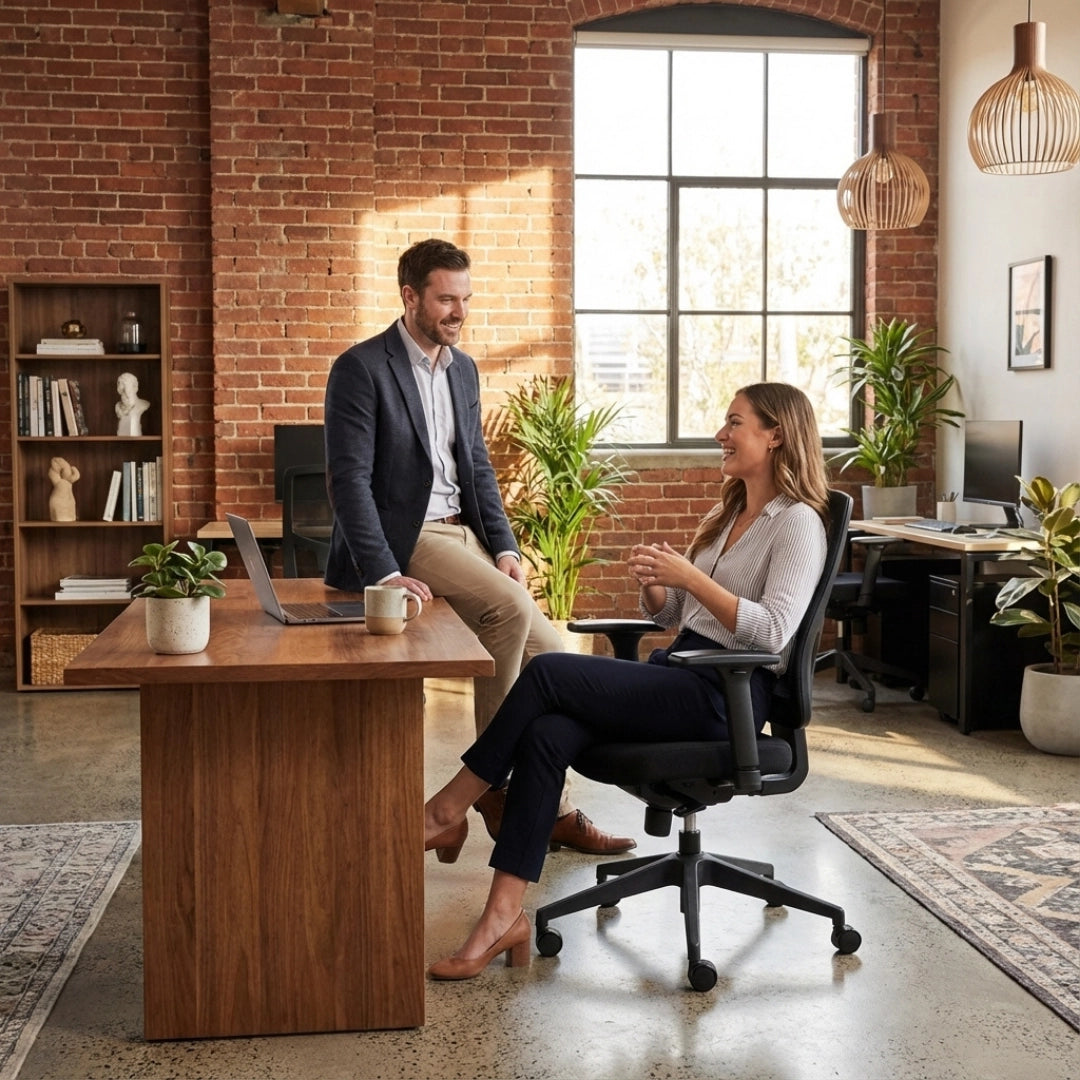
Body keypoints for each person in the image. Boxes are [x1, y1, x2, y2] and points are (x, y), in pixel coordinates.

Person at [421, 381, 831, 980]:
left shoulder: (797, 524)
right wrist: (661, 587)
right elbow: (673, 619)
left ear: (776, 436)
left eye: (735, 421)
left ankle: (448, 808)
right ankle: (502, 917)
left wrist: (693, 579)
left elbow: (771, 635)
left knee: (546, 670)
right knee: (549, 734)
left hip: (727, 696)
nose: (721, 433)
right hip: (684, 672)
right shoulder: (731, 515)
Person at [323, 238, 634, 856]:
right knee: (511, 611)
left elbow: (479, 468)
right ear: (409, 296)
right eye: (445, 299)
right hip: (407, 538)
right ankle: (492, 789)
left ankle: (554, 807)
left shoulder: (462, 369)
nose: (458, 311)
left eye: (465, 298)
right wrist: (383, 570)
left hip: (463, 532)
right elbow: (348, 481)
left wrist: (506, 546)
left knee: (555, 660)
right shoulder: (361, 368)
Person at [115, 372, 149, 437]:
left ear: (135, 388)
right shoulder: (117, 406)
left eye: (126, 388)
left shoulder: (143, 405)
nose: (124, 392)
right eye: (122, 390)